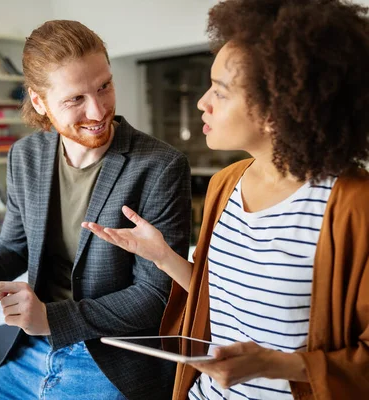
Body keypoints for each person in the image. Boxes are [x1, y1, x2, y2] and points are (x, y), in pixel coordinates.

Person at [84, 0, 369, 399]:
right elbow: (217, 302)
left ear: (278, 109)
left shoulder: (355, 206)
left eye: (220, 91)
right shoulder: (226, 184)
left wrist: (276, 365)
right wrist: (163, 256)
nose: (203, 102)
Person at [0, 20, 192, 400]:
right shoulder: (25, 156)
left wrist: (52, 318)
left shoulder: (160, 166)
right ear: (39, 101)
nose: (98, 111)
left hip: (111, 360)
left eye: (104, 86)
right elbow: (14, 248)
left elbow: (156, 296)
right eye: (75, 99)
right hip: (31, 350)